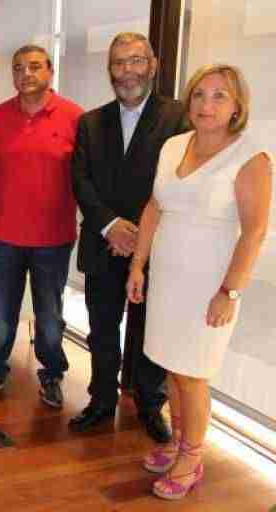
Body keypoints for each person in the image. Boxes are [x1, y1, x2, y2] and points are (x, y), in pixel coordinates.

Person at [127, 64, 272, 500]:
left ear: (237, 106)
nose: (206, 105)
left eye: (219, 96)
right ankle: (177, 440)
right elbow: (154, 207)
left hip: (210, 287)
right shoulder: (174, 145)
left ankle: (192, 459)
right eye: (199, 95)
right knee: (173, 367)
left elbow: (255, 232)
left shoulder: (251, 157)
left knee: (193, 375)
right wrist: (138, 264)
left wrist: (230, 291)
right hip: (168, 279)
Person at [70, 32, 185, 443]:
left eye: (136, 61)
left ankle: (150, 405)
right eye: (119, 63)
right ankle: (101, 400)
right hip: (103, 243)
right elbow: (81, 180)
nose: (127, 71)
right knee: (102, 329)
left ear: (152, 66)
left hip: (156, 248)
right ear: (110, 71)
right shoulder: (89, 122)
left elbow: (179, 182)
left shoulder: (180, 118)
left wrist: (139, 234)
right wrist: (110, 225)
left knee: (152, 330)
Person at [0, 45, 83, 408]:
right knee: (1, 315)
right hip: (5, 235)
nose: (26, 74)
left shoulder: (75, 117)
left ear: (50, 70)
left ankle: (52, 375)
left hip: (54, 237)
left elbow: (84, 173)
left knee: (49, 318)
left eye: (34, 66)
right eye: (18, 68)